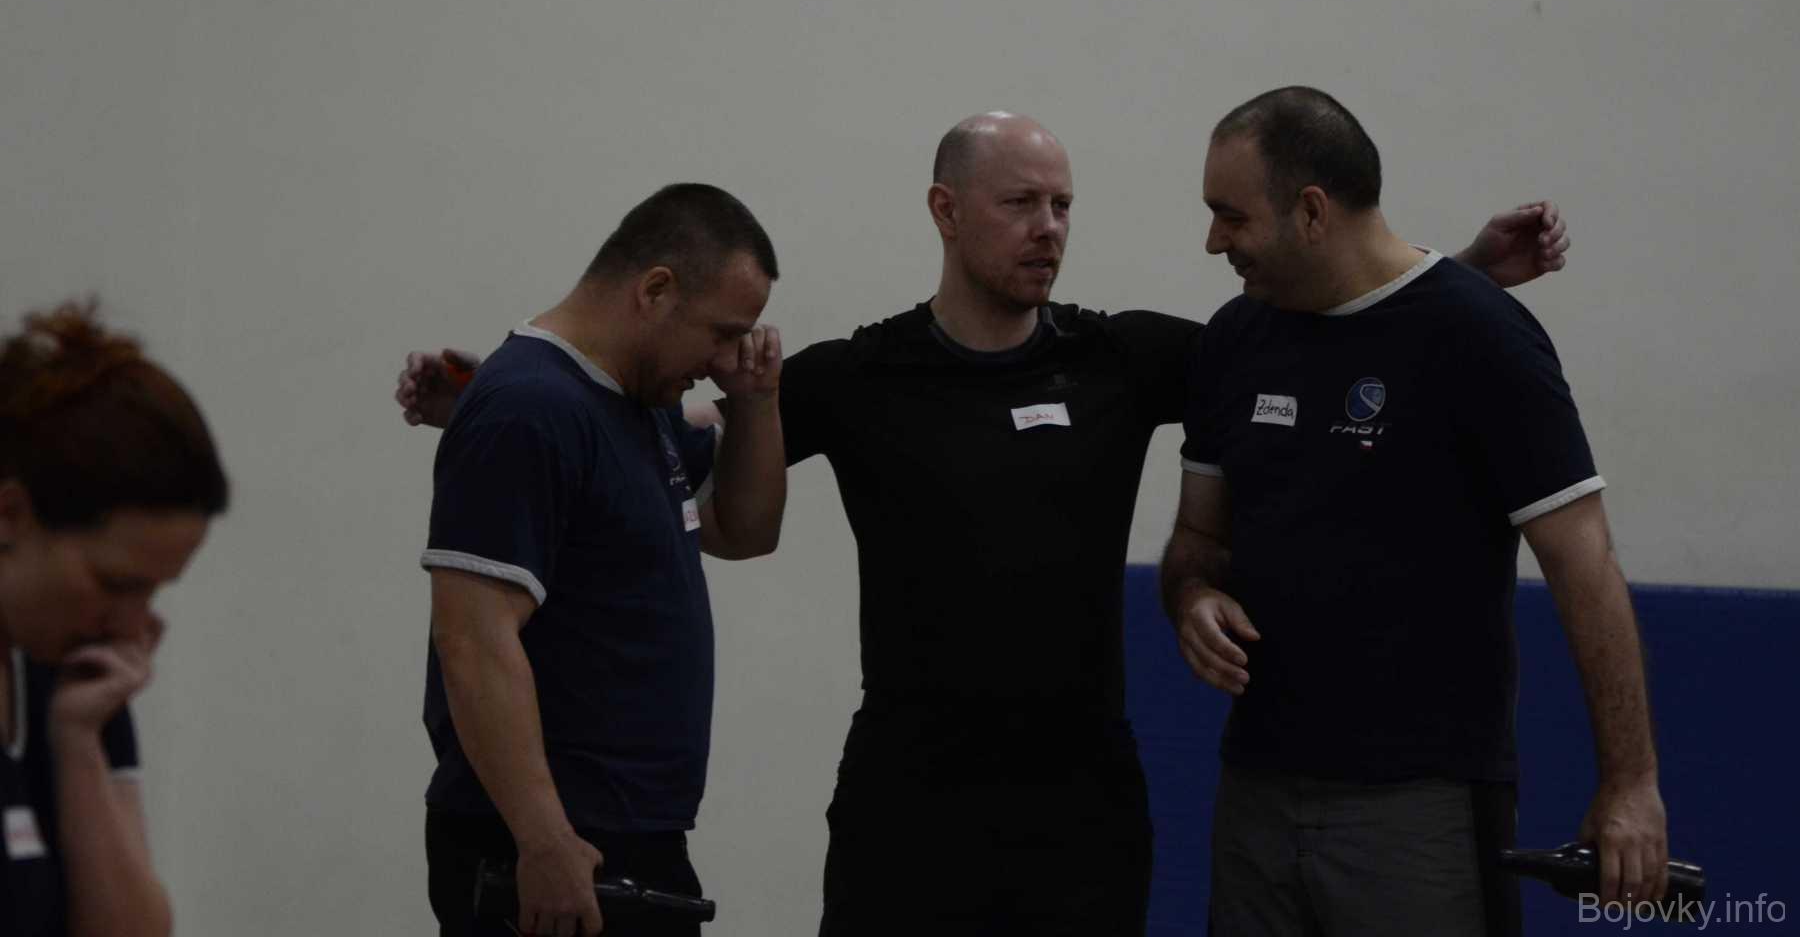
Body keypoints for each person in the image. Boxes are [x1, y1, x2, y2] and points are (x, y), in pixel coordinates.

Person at [397, 114, 1569, 935]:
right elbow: (673, 424)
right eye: (1021, 203)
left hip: (1080, 805)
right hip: (909, 803)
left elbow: (1312, 335)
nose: (1049, 227)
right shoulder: (862, 375)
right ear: (946, 211)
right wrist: (495, 397)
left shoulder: (1124, 358)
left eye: (1063, 206)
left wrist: (1464, 271)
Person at [1161, 87, 1664, 937]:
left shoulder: (1482, 336)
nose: (1214, 240)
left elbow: (1585, 563)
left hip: (1419, 809)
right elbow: (1197, 538)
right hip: (1255, 796)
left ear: (1312, 212)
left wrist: (1631, 784)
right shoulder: (1236, 341)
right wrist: (1191, 596)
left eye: (1231, 216)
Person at [420, 183, 787, 937]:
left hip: (629, 836)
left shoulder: (633, 404)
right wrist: (544, 839)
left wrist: (756, 399)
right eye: (722, 333)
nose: (724, 359)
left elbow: (744, 530)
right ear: (655, 290)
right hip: (553, 847)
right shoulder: (527, 407)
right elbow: (473, 640)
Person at [0, 302, 230, 937]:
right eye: (115, 584)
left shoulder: (76, 668)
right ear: (10, 516)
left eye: (154, 590)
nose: (133, 626)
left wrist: (77, 743)